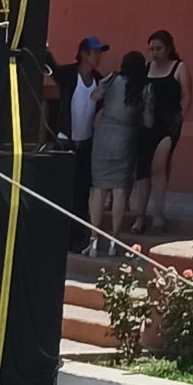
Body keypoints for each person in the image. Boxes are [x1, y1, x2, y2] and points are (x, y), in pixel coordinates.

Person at [132, 30, 186, 241]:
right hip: (146, 126)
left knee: (159, 167)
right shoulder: (146, 69)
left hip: (168, 126)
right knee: (143, 172)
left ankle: (158, 214)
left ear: (169, 48)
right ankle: (140, 216)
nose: (155, 53)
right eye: (152, 48)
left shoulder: (178, 68)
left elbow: (186, 96)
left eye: (159, 48)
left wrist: (181, 119)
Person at [89, 50, 145, 247]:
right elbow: (148, 121)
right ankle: (114, 239)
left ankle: (94, 239)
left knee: (99, 189)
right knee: (120, 189)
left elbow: (94, 96)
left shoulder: (112, 79)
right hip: (126, 136)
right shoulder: (143, 87)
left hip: (104, 135)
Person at [66, 37, 108, 247]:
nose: (98, 57)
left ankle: (77, 239)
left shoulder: (99, 80)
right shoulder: (68, 74)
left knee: (82, 194)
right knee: (64, 192)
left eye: (100, 53)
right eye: (95, 52)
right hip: (65, 144)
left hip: (86, 146)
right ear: (83, 53)